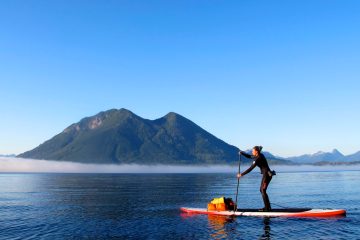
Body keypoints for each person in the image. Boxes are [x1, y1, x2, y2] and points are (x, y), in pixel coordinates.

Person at [237, 146, 275, 211]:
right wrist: (242, 153)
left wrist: (241, 174)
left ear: (256, 151)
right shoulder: (259, 155)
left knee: (262, 190)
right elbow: (250, 156)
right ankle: (268, 207)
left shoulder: (258, 159)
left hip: (267, 175)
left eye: (253, 151)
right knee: (262, 190)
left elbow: (250, 168)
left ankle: (267, 208)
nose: (252, 152)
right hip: (267, 175)